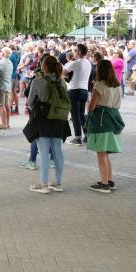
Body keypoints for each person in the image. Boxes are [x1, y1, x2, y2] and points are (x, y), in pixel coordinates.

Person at [27, 55, 71, 193]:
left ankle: (43, 184)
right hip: (59, 119)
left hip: (43, 119)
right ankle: (57, 182)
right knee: (57, 150)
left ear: (44, 66)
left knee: (44, 152)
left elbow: (29, 103)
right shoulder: (62, 82)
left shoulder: (38, 81)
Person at [86, 60, 124, 193]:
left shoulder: (99, 85)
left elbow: (91, 107)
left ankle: (104, 184)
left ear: (99, 71)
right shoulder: (118, 85)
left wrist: (92, 94)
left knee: (101, 153)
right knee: (105, 153)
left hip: (101, 120)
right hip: (114, 118)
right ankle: (109, 180)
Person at [63, 43, 92, 146]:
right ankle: (86, 135)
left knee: (75, 115)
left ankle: (77, 138)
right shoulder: (88, 63)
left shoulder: (75, 63)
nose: (74, 52)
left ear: (79, 52)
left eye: (75, 50)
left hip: (74, 90)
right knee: (81, 114)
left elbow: (62, 72)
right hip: (84, 90)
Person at [0, 47, 13, 129]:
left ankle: (3, 123)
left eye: (0, 51)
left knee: (1, 104)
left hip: (0, 85)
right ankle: (7, 123)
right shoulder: (10, 62)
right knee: (6, 105)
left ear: (3, 53)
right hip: (7, 85)